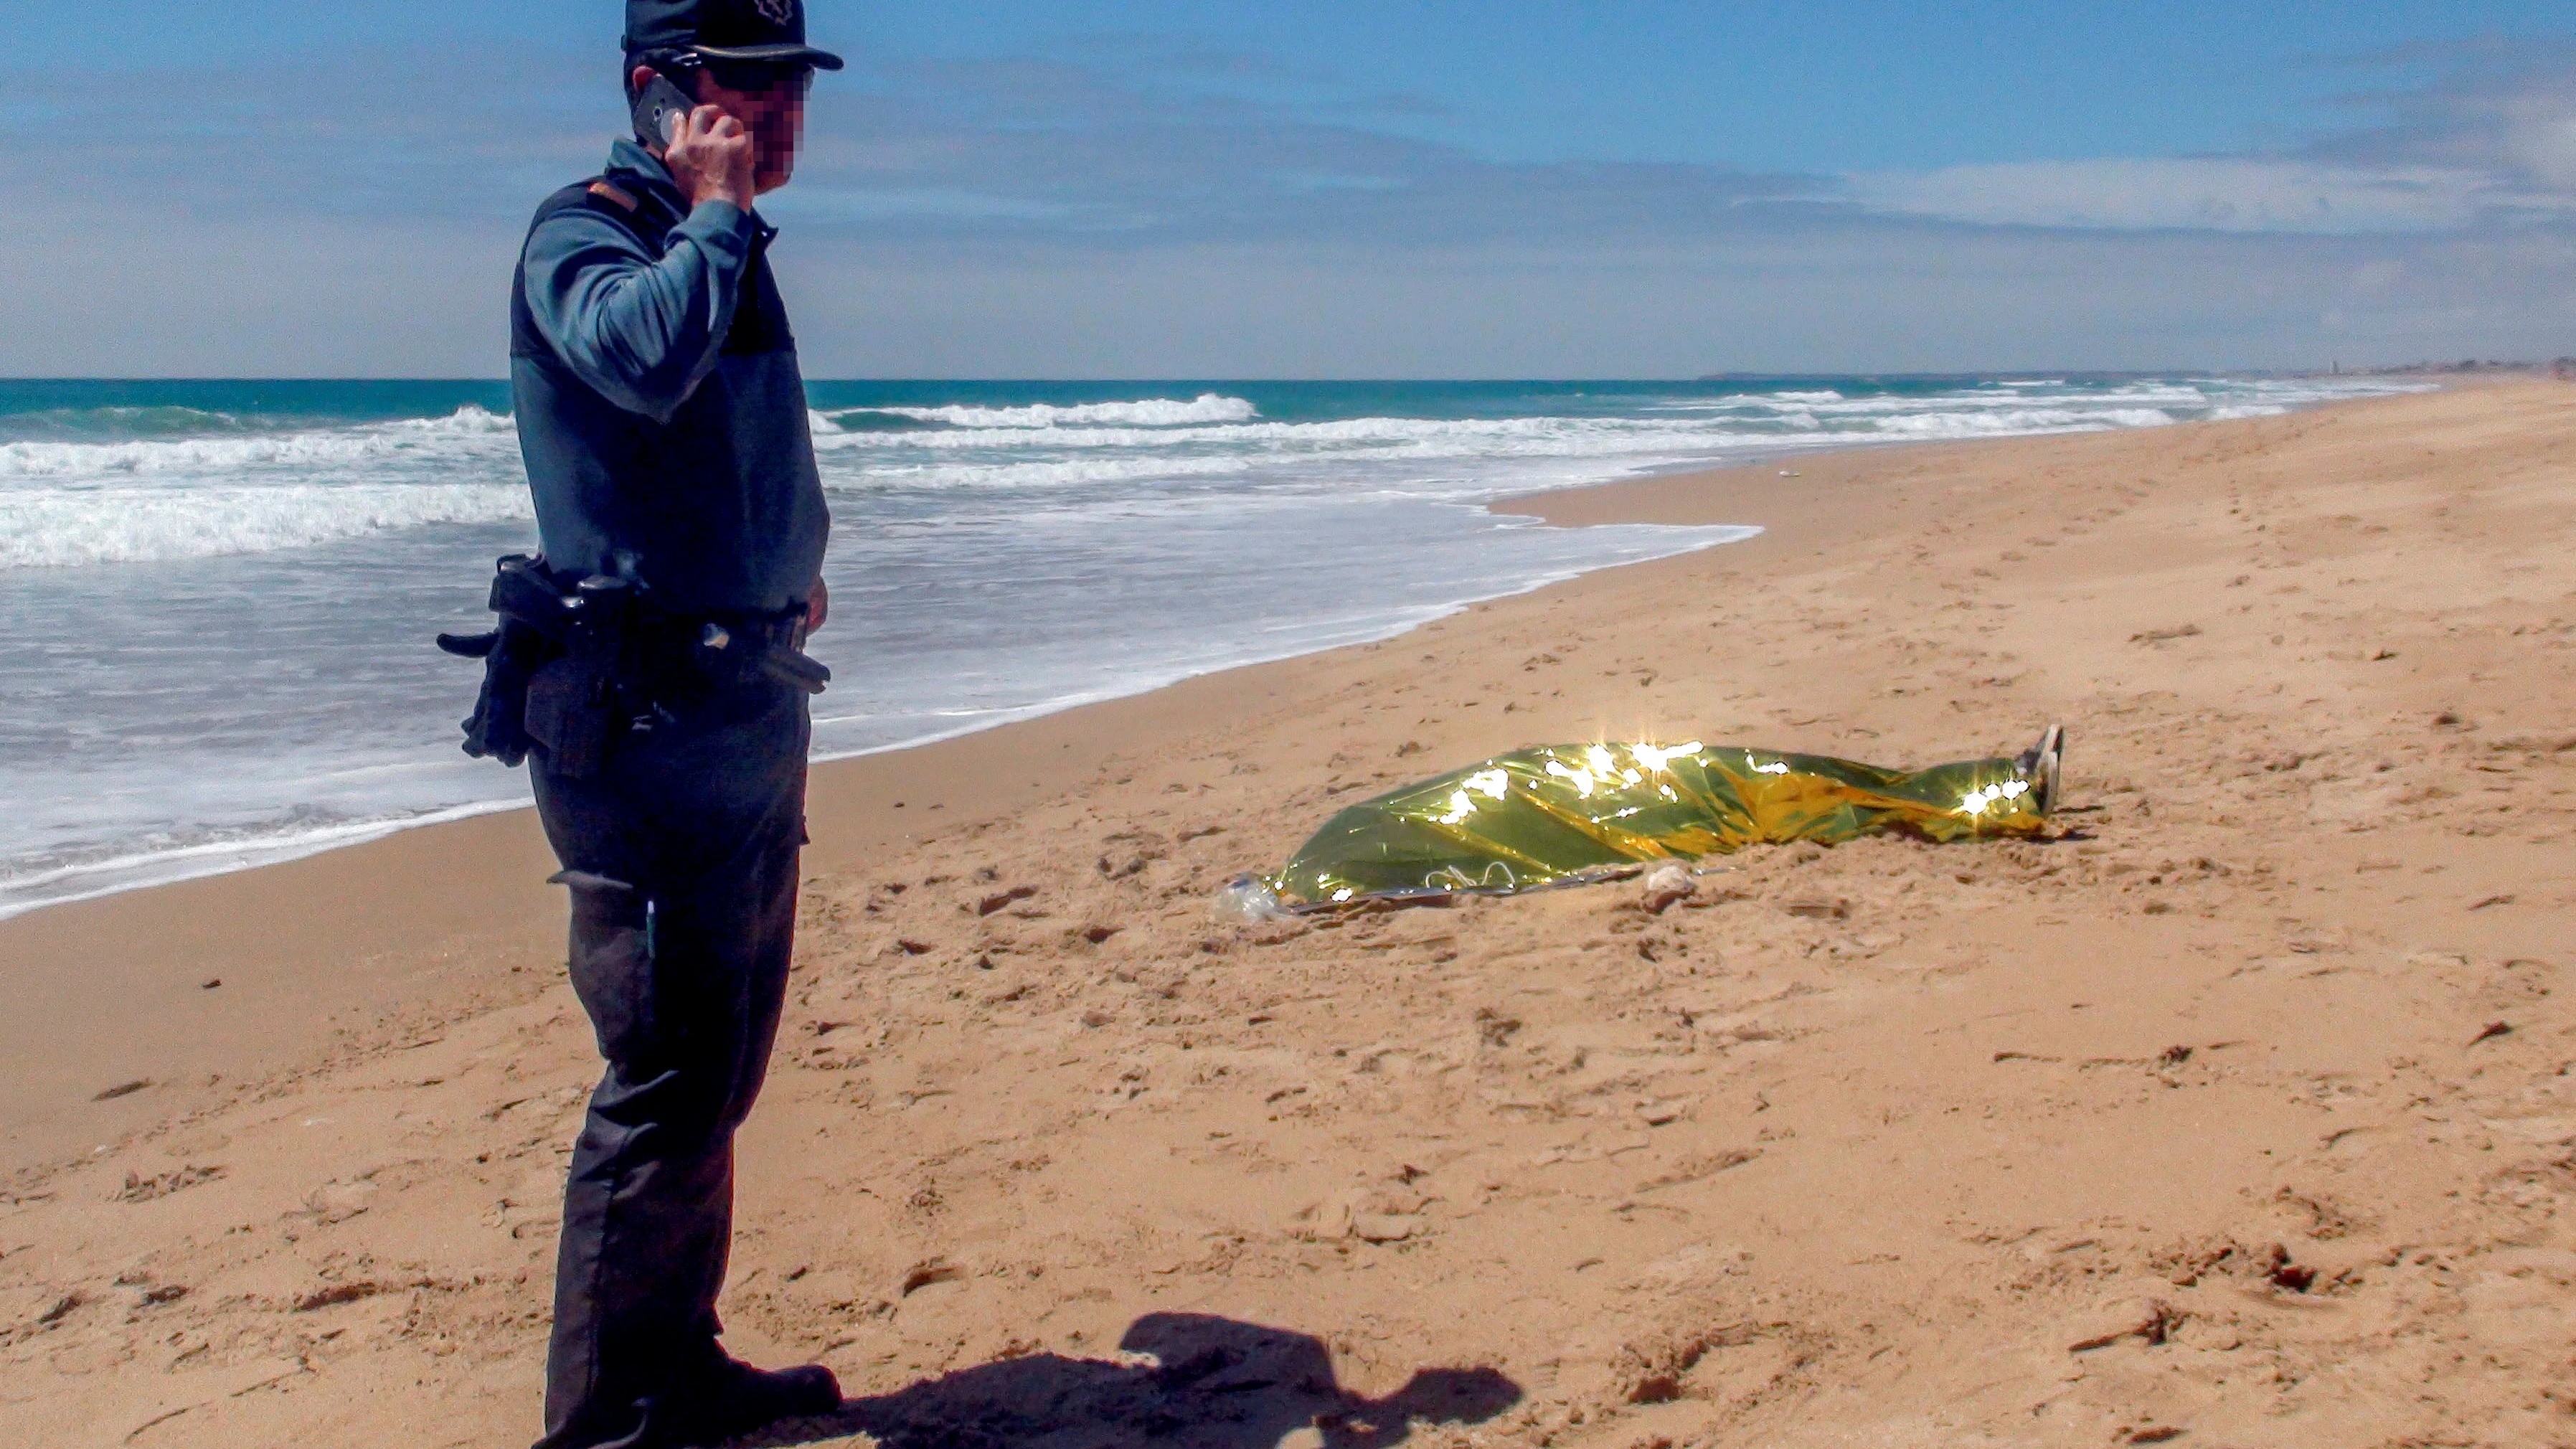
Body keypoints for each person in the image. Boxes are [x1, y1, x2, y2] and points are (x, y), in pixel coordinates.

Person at [494, 2, 844, 1445]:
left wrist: (782, 565)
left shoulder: (725, 244)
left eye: (787, 86)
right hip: (638, 719)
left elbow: (709, 439)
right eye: (734, 88)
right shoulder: (587, 232)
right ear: (653, 93)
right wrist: (707, 214)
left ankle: (674, 1362)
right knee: (659, 1073)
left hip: (746, 698)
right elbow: (635, 361)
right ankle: (601, 1420)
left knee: (720, 1066)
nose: (767, 114)